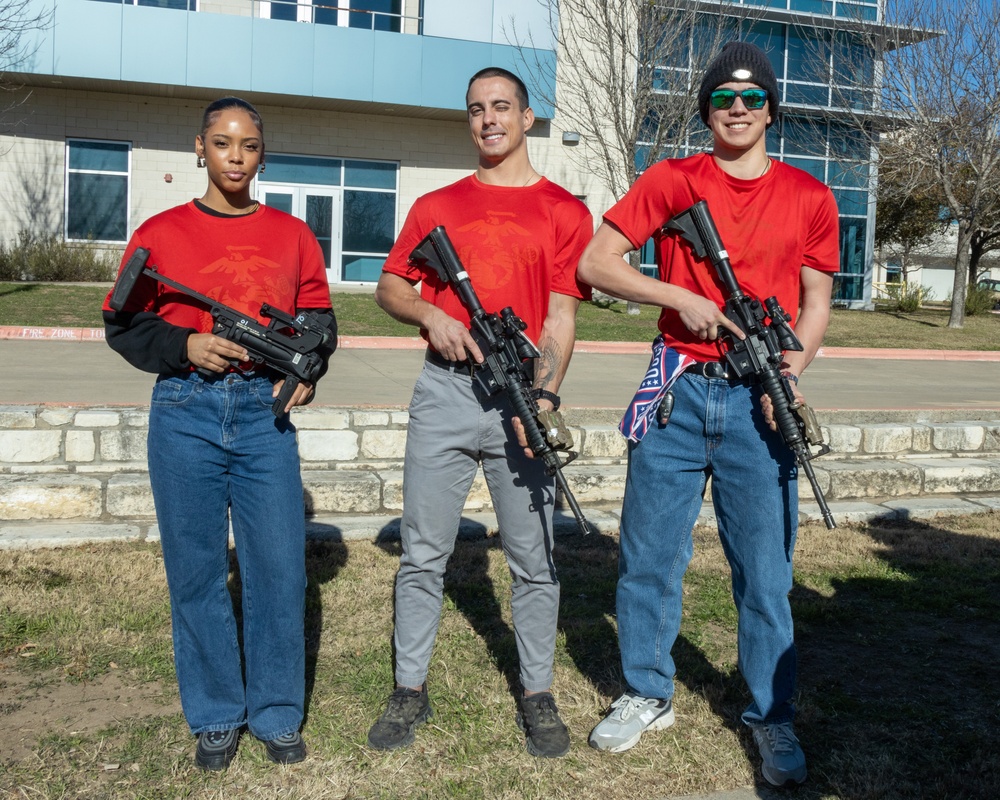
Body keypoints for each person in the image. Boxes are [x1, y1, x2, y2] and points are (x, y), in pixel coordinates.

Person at [577, 42, 839, 787]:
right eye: (724, 97)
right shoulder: (671, 180)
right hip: (679, 389)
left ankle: (770, 715)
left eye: (753, 99)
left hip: (760, 394)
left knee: (764, 570)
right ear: (706, 107)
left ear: (771, 110)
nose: (738, 109)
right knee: (650, 556)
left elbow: (816, 306)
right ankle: (645, 692)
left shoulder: (811, 197)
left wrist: (786, 373)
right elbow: (598, 262)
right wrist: (678, 298)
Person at [102, 97, 337, 771]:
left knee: (278, 569)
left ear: (263, 154)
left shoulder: (293, 236)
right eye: (223, 143)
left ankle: (276, 713)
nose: (236, 156)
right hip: (185, 411)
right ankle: (215, 715)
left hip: (266, 416)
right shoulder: (161, 230)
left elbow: (318, 323)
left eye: (250, 145)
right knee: (197, 571)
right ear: (199, 149)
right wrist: (187, 347)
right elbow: (123, 324)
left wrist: (307, 371)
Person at [366, 67, 593, 758]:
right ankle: (410, 688)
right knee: (423, 552)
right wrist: (430, 312)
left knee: (534, 555)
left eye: (501, 108)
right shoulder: (436, 205)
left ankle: (536, 692)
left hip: (520, 396)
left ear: (528, 118)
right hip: (445, 392)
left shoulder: (564, 210)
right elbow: (388, 286)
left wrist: (544, 400)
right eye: (475, 110)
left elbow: (560, 314)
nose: (488, 119)